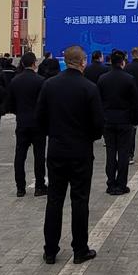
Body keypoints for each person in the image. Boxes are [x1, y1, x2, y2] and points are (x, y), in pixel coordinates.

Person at [36, 44, 105, 263]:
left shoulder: (49, 85)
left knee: (54, 200)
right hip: (81, 151)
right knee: (80, 200)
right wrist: (87, 138)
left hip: (57, 149)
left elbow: (40, 118)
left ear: (66, 61)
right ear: (83, 62)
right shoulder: (89, 88)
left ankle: (50, 250)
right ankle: (80, 249)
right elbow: (98, 124)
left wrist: (55, 134)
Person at [97, 50, 138, 195]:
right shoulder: (129, 79)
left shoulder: (102, 79)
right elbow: (135, 102)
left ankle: (110, 183)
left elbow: (99, 101)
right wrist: (134, 120)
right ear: (122, 62)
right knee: (123, 153)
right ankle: (121, 184)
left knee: (110, 152)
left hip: (108, 120)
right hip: (124, 121)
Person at [8, 52, 47, 197]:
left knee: (20, 155)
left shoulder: (15, 81)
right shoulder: (41, 81)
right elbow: (44, 104)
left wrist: (19, 113)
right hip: (38, 123)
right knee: (39, 155)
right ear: (34, 63)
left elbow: (10, 104)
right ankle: (40, 186)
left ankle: (20, 187)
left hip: (22, 122)